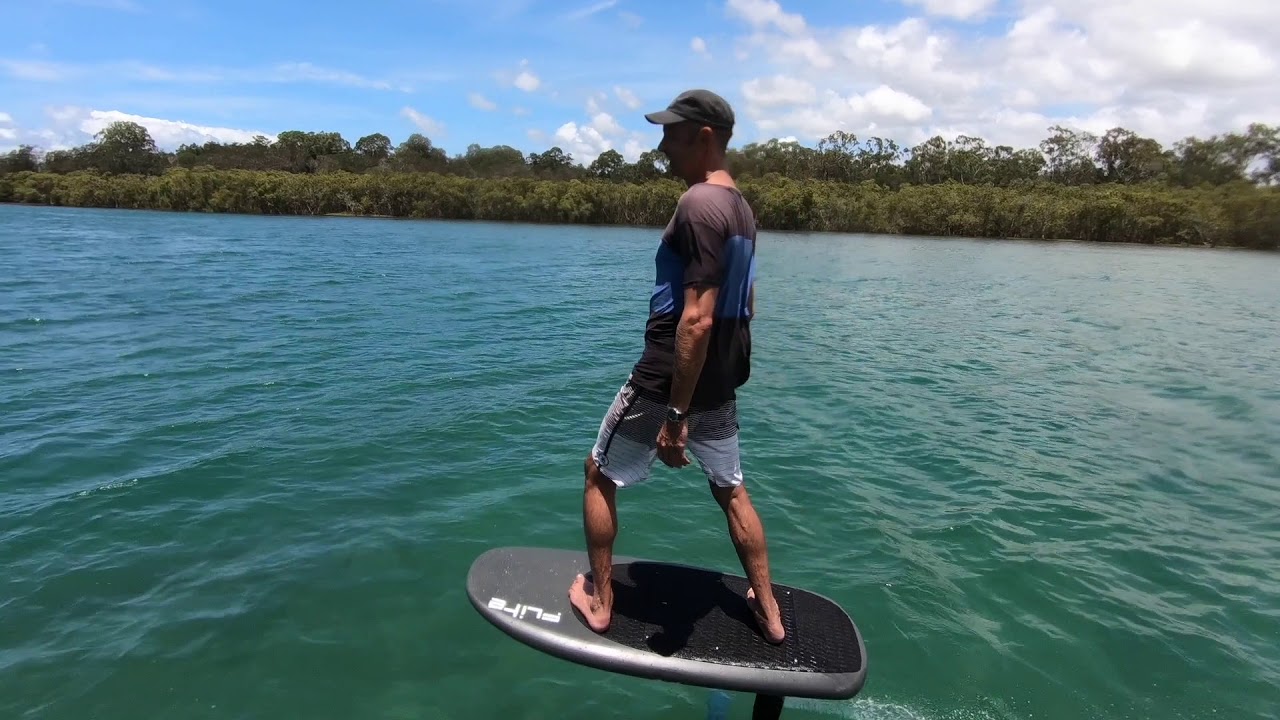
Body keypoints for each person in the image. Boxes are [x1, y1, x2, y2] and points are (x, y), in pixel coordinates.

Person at [567, 88, 786, 645]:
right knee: (731, 489)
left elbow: (696, 321)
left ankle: (600, 601)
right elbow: (749, 304)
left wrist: (674, 415)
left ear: (703, 136)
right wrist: (716, 381)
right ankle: (769, 611)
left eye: (671, 133)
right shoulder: (740, 208)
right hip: (718, 379)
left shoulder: (698, 204)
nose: (662, 145)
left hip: (669, 377)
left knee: (597, 473)